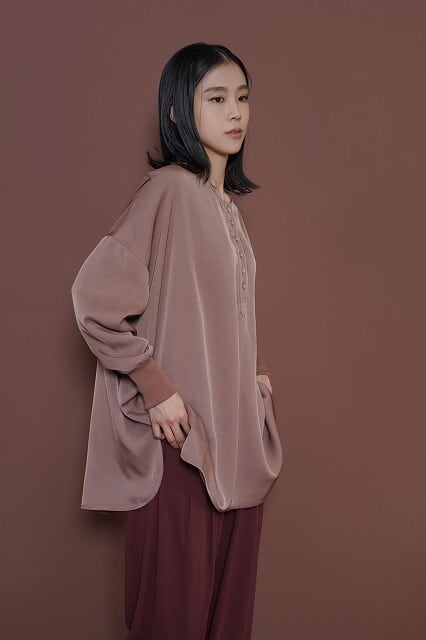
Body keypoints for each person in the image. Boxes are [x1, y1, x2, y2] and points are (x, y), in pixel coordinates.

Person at [71, 42, 283, 640]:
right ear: (177, 112)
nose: (234, 111)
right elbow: (94, 299)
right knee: (171, 623)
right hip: (183, 447)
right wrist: (155, 386)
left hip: (238, 444)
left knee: (226, 626)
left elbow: (219, 311)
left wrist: (255, 372)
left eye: (242, 97)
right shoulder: (167, 190)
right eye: (215, 98)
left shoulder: (228, 209)